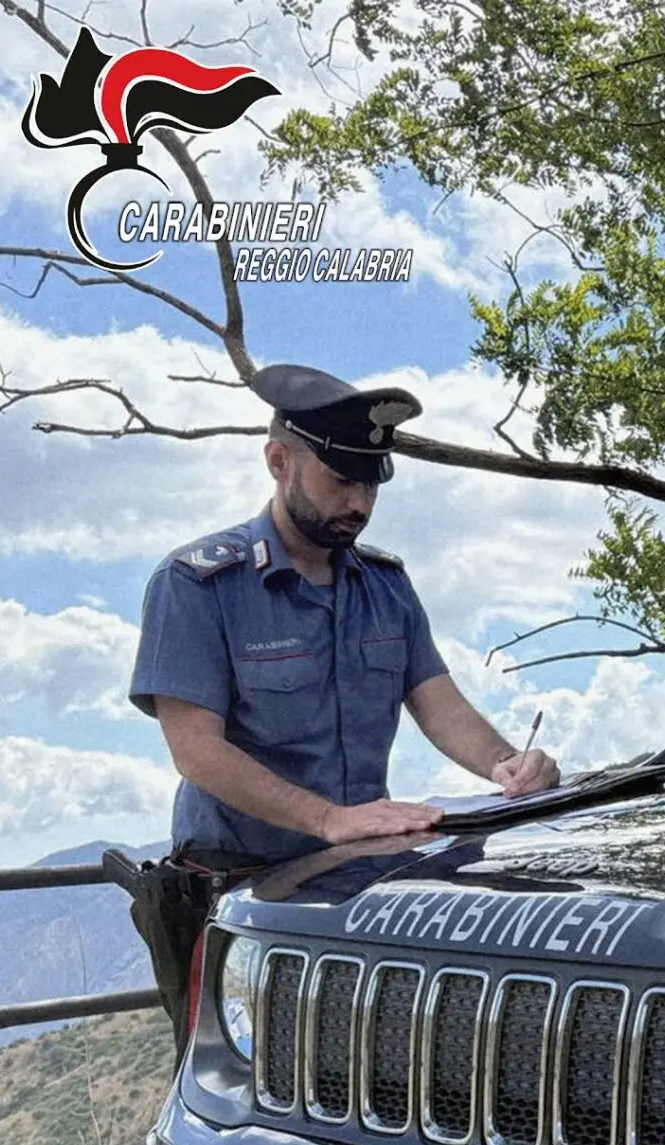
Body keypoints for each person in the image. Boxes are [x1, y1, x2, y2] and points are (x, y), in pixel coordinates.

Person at [124, 362, 561, 1050]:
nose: (357, 502)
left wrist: (510, 766)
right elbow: (196, 750)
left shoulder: (385, 585)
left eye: (369, 482)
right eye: (339, 479)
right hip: (242, 899)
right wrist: (326, 818)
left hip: (359, 894)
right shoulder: (198, 585)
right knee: (246, 1094)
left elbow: (439, 705)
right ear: (279, 461)